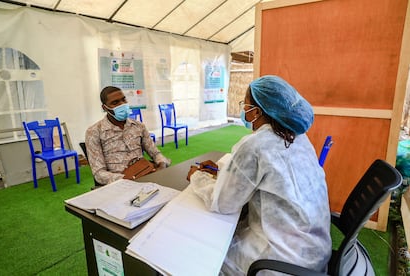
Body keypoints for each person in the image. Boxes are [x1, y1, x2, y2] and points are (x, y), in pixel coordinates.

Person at [187, 75, 331, 275]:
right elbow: (276, 177)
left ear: (257, 112)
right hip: (316, 253)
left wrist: (197, 177)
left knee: (205, 255)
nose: (243, 111)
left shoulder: (255, 144)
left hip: (278, 260)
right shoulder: (299, 137)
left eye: (244, 105)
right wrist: (225, 172)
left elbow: (223, 204)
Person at [85, 86, 171, 185]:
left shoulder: (139, 126)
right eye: (115, 103)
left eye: (123, 99)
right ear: (105, 108)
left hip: (145, 174)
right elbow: (99, 173)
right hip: (119, 183)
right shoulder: (94, 132)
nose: (122, 104)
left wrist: (162, 164)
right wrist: (127, 178)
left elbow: (155, 153)